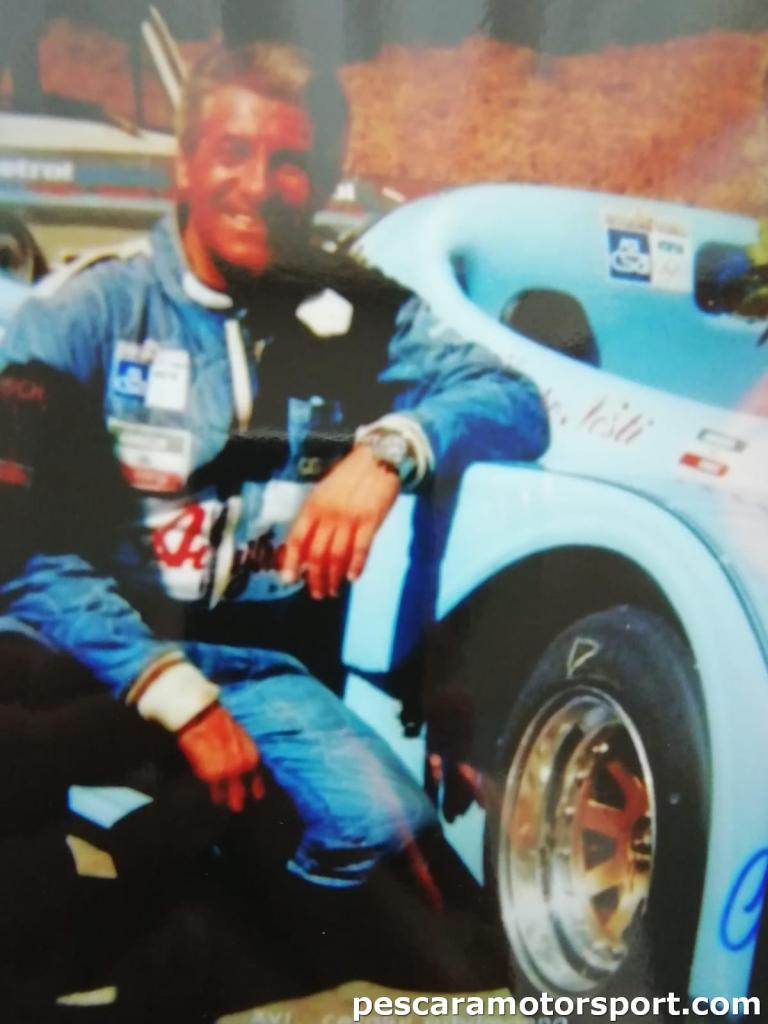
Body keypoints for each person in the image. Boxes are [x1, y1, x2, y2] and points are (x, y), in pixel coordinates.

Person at [0, 40, 549, 1012]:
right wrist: (174, 695)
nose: (258, 186)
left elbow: (513, 398)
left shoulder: (349, 303)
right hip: (82, 653)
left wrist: (389, 451)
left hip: (254, 666)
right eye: (233, 152)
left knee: (374, 831)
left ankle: (183, 921)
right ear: (185, 164)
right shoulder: (89, 307)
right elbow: (21, 550)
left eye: (290, 161)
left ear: (325, 178)